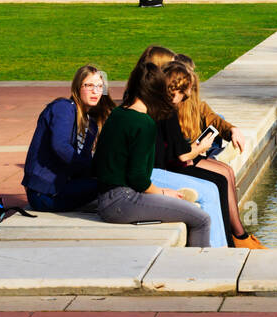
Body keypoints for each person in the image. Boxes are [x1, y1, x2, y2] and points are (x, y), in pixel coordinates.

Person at [93, 61, 212, 247]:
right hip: (123, 202)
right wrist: (164, 192)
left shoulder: (117, 114)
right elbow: (138, 178)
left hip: (105, 198)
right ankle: (199, 271)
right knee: (202, 219)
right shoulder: (144, 123)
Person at [156, 61, 262, 248]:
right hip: (171, 164)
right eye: (185, 90)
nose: (188, 95)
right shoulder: (166, 111)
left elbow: (213, 121)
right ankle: (233, 239)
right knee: (218, 181)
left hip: (180, 158)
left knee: (226, 172)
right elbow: (179, 155)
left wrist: (231, 130)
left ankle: (236, 237)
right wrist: (198, 148)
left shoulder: (183, 107)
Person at [23, 65, 107, 212]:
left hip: (63, 186)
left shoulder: (90, 124)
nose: (95, 91)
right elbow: (61, 146)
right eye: (89, 85)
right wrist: (97, 169)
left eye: (100, 86)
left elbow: (83, 164)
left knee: (110, 181)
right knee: (107, 184)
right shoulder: (63, 108)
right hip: (43, 193)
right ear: (77, 87)